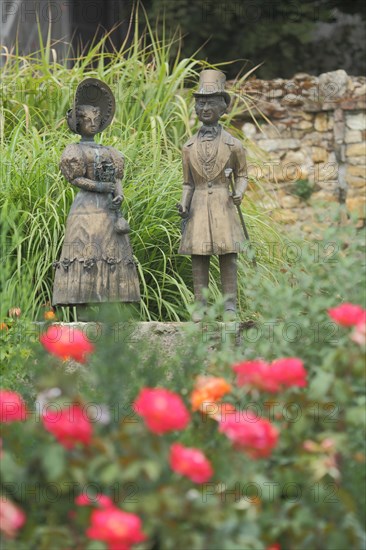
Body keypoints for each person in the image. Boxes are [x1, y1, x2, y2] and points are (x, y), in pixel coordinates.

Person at [52, 78, 140, 309]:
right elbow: (75, 178)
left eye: (95, 120)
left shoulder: (110, 151)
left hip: (108, 210)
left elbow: (117, 177)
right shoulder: (74, 150)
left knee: (110, 250)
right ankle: (81, 303)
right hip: (86, 208)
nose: (92, 123)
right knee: (84, 249)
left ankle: (110, 304)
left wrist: (119, 194)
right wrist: (100, 187)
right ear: (78, 123)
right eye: (87, 120)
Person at [177, 69, 248, 320]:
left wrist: (239, 192)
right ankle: (201, 305)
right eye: (200, 103)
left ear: (222, 108)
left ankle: (230, 306)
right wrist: (184, 204)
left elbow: (243, 175)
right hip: (198, 205)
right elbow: (188, 183)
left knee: (228, 254)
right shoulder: (188, 147)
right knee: (199, 255)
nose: (204, 107)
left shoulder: (234, 145)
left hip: (223, 203)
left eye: (210, 102)